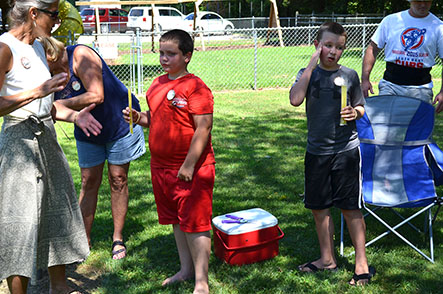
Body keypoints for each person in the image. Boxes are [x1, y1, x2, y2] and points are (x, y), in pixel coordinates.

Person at [0, 0, 102, 293]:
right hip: (18, 143)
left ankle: (60, 288)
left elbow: (47, 107)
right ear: (33, 14)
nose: (58, 20)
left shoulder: (37, 47)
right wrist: (38, 91)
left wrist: (74, 115)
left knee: (56, 215)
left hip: (47, 137)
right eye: (54, 14)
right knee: (18, 224)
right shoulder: (5, 48)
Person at [122, 29, 215, 294]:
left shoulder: (196, 87)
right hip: (160, 167)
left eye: (171, 54)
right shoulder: (157, 84)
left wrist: (188, 164)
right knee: (176, 219)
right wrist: (139, 118)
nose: (164, 58)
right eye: (161, 53)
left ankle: (201, 281)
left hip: (192, 168)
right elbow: (156, 118)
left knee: (195, 223)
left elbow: (203, 128)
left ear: (187, 56)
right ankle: (185, 270)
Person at [40, 36, 146, 260]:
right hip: (87, 128)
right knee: (88, 181)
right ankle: (82, 241)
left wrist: (57, 104)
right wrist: (60, 110)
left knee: (118, 179)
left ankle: (117, 237)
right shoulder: (44, 75)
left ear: (50, 54)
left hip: (119, 119)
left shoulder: (80, 55)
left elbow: (97, 95)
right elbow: (49, 113)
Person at [289, 22, 375, 286]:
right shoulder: (307, 73)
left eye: (339, 47)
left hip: (346, 151)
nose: (333, 51)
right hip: (316, 152)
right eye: (327, 45)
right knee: (319, 208)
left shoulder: (348, 76)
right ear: (317, 46)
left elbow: (361, 106)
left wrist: (355, 112)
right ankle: (327, 260)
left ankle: (361, 263)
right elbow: (295, 99)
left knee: (350, 207)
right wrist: (312, 63)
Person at [361, 0, 443, 111]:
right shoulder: (391, 21)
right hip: (390, 86)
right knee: (384, 126)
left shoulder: (438, 27)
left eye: (427, 1)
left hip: (421, 89)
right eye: (418, 1)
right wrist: (365, 79)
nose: (423, 4)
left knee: (417, 127)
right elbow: (372, 49)